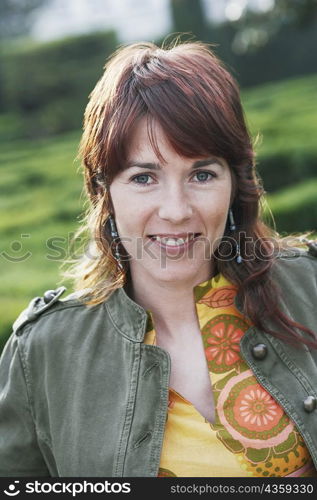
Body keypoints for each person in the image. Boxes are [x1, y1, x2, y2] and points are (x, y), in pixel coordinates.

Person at [0, 40, 317, 478]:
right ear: (104, 192)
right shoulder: (43, 354)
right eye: (144, 177)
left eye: (202, 174)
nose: (175, 210)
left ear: (235, 184)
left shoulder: (310, 289)